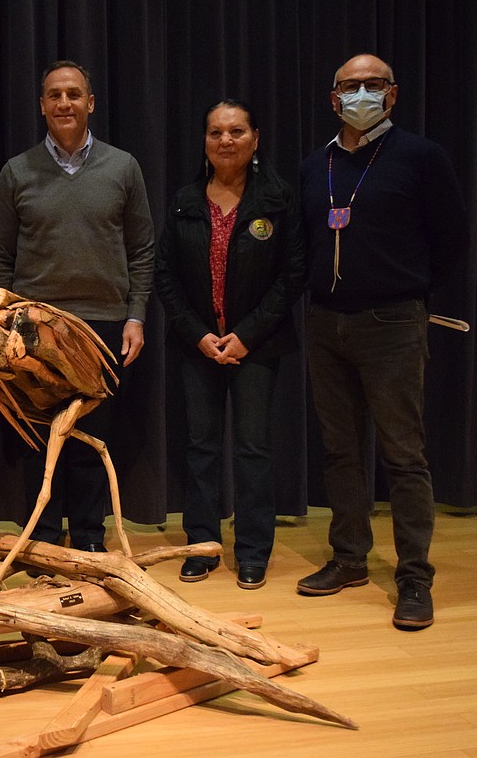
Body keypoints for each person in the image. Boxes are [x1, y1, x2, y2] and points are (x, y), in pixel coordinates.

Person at [297, 54, 466, 630]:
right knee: (341, 449)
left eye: (373, 85)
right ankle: (348, 559)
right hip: (325, 323)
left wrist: (409, 294)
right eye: (350, 85)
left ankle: (415, 577)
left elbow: (451, 241)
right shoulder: (314, 165)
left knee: (403, 453)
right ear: (333, 97)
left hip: (392, 324)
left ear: (392, 95)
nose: (361, 93)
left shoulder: (421, 157)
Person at [0, 60, 154, 553]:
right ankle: (39, 541)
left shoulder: (123, 167)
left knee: (88, 441)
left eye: (74, 94)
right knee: (38, 442)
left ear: (90, 103)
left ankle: (86, 541)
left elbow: (143, 249)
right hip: (34, 327)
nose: (65, 103)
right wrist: (1, 324)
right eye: (54, 95)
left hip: (101, 324)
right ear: (42, 106)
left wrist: (136, 314)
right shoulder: (16, 172)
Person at [155, 99, 305, 590]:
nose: (226, 140)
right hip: (198, 345)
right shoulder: (183, 201)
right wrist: (198, 334)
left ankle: (254, 551)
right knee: (200, 448)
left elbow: (291, 277)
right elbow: (166, 277)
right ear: (205, 141)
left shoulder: (278, 200)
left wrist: (246, 336)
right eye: (216, 132)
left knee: (253, 449)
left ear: (255, 139)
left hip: (256, 346)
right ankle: (203, 545)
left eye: (236, 131)